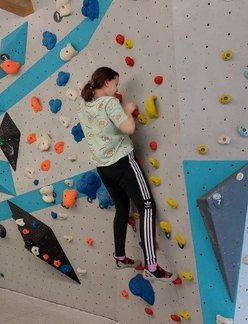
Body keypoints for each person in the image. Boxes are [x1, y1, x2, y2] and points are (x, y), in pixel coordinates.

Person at [78, 67, 176, 283]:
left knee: (122, 208)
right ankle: (152, 266)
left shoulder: (85, 106)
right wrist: (128, 110)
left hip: (103, 168)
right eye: (115, 84)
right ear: (106, 84)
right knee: (147, 206)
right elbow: (129, 128)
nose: (116, 88)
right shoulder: (110, 103)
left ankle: (120, 257)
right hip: (122, 162)